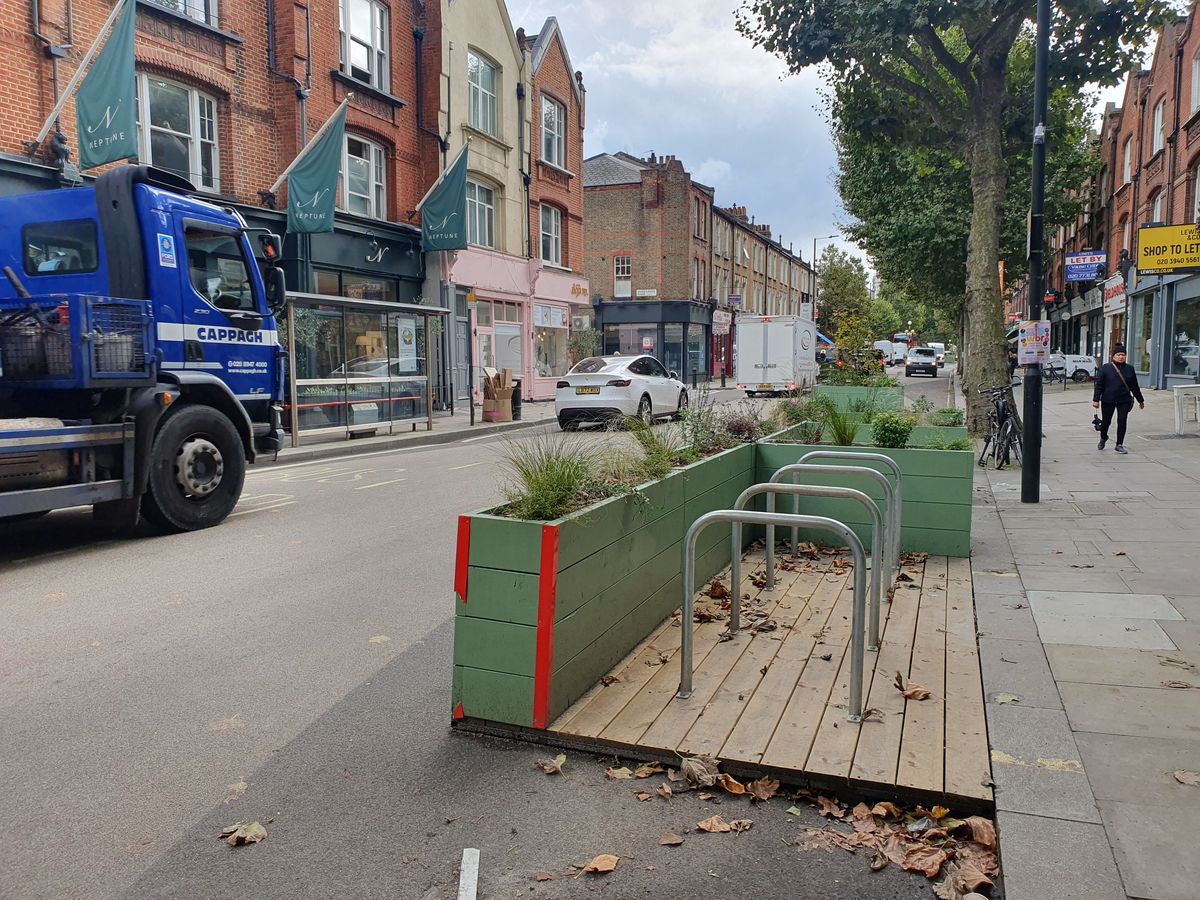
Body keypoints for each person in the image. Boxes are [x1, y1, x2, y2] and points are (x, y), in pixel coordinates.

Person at [1092, 343, 1144, 453]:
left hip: (1124, 400)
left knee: (1122, 421)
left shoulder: (1130, 369)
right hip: (1108, 399)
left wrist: (1140, 400)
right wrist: (1096, 399)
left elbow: (1134, 386)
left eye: (1123, 355)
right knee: (1106, 422)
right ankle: (1103, 437)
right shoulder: (1106, 368)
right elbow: (1099, 385)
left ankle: (1119, 444)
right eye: (1118, 354)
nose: (1121, 357)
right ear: (1113, 356)